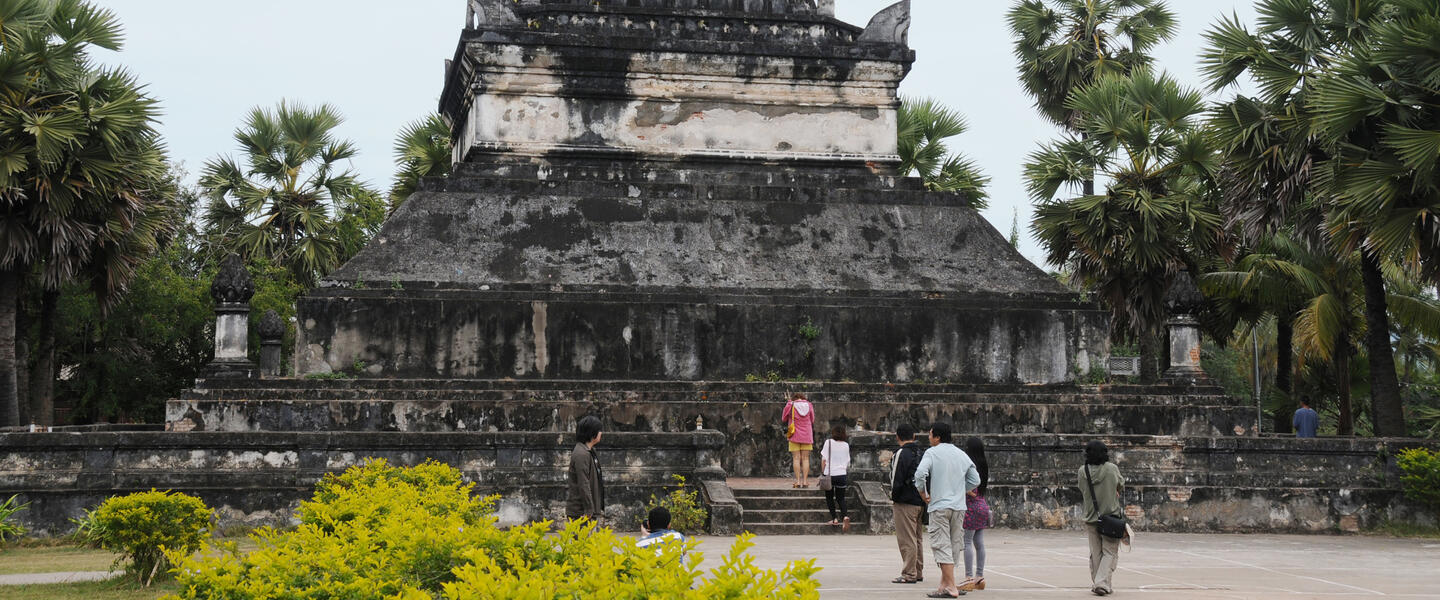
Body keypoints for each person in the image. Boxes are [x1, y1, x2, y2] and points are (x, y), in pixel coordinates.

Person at [914, 421, 981, 598]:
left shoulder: (932, 452)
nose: (928, 438)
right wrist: (961, 488)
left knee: (941, 544)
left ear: (937, 437)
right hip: (959, 506)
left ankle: (951, 586)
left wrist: (923, 492)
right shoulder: (961, 454)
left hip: (940, 506)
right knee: (953, 544)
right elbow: (975, 480)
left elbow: (920, 474)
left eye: (930, 434)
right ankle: (944, 583)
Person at [1077, 440, 1126, 596]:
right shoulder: (1112, 469)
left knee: (1096, 553)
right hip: (1110, 517)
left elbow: (1081, 488)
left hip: (1091, 517)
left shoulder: (1082, 471)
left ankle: (1102, 583)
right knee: (1110, 551)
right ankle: (1102, 583)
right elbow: (1121, 485)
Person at [889, 423, 927, 585]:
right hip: (920, 500)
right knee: (917, 538)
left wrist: (894, 497)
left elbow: (895, 478)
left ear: (898, 437)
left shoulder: (901, 453)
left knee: (907, 539)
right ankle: (917, 571)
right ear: (913, 437)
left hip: (905, 501)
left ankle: (909, 573)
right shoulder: (922, 453)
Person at [960, 437, 990, 592]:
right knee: (979, 543)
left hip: (971, 507)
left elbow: (969, 489)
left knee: (966, 542)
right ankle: (979, 576)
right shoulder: (984, 465)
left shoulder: (969, 466)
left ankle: (968, 577)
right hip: (982, 505)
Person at [566, 415, 605, 522]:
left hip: (589, 511)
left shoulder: (590, 451)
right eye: (599, 430)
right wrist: (588, 510)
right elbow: (584, 483)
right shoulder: (581, 454)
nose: (601, 433)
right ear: (593, 434)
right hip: (581, 513)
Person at [821, 424, 852, 531]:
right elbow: (848, 462)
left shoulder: (828, 442)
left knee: (829, 497)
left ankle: (834, 518)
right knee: (841, 498)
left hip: (829, 474)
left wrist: (822, 472)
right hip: (841, 474)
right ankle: (845, 516)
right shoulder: (846, 445)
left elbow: (824, 460)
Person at [781, 392, 815, 488]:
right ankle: (805, 481)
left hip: (794, 435)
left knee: (796, 458)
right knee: (805, 459)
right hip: (807, 435)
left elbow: (783, 418)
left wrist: (788, 403)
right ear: (803, 398)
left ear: (794, 398)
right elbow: (812, 420)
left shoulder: (790, 405)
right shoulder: (809, 405)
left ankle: (798, 482)